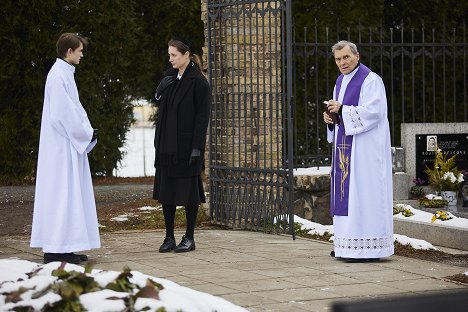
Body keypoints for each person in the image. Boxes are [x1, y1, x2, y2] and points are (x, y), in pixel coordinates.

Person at [30, 33, 100, 264]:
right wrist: (85, 133)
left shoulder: (64, 74)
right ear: (69, 51)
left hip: (67, 144)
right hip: (61, 148)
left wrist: (86, 131)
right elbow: (62, 114)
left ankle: (65, 247)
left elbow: (74, 110)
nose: (82, 55)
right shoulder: (58, 75)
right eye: (79, 51)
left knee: (69, 195)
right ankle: (54, 250)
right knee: (61, 195)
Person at [323, 40, 394, 262]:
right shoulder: (340, 82)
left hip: (365, 152)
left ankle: (369, 248)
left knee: (364, 195)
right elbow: (340, 117)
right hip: (346, 151)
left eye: (346, 57)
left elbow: (374, 112)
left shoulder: (371, 80)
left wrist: (342, 109)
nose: (342, 62)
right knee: (348, 197)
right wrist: (330, 119)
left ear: (357, 56)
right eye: (338, 59)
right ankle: (346, 246)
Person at [153, 37, 211, 253]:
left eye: (174, 55)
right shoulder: (169, 77)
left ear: (186, 55)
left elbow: (202, 117)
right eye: (169, 55)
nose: (170, 59)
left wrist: (197, 147)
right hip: (166, 145)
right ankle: (169, 237)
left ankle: (189, 237)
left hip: (186, 147)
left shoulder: (199, 82)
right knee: (166, 192)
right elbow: (160, 103)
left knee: (188, 194)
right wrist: (159, 91)